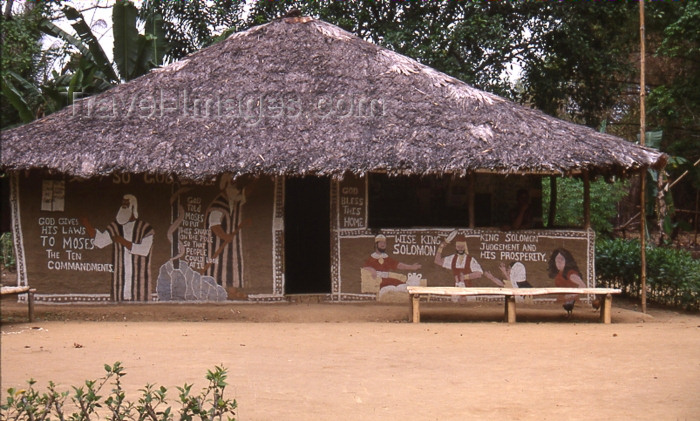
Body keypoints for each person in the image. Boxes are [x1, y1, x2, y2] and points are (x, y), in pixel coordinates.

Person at [81, 194, 154, 302]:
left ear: (133, 207)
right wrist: (87, 224)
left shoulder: (146, 228)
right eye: (122, 204)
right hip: (120, 280)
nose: (123, 207)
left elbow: (144, 250)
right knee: (119, 301)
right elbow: (101, 242)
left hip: (140, 283)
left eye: (126, 204)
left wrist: (122, 241)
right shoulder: (115, 227)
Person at [205, 174, 247, 298]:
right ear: (225, 187)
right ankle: (217, 291)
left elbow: (245, 195)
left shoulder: (233, 202)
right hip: (219, 245)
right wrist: (224, 236)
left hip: (232, 245)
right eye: (233, 186)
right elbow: (214, 225)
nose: (237, 190)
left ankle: (232, 291)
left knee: (233, 266)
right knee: (218, 268)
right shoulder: (218, 204)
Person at [547, 248, 586, 314]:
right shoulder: (559, 273)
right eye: (557, 260)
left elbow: (583, 286)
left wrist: (572, 295)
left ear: (566, 261)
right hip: (561, 302)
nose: (559, 262)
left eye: (561, 259)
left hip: (571, 302)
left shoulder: (570, 273)